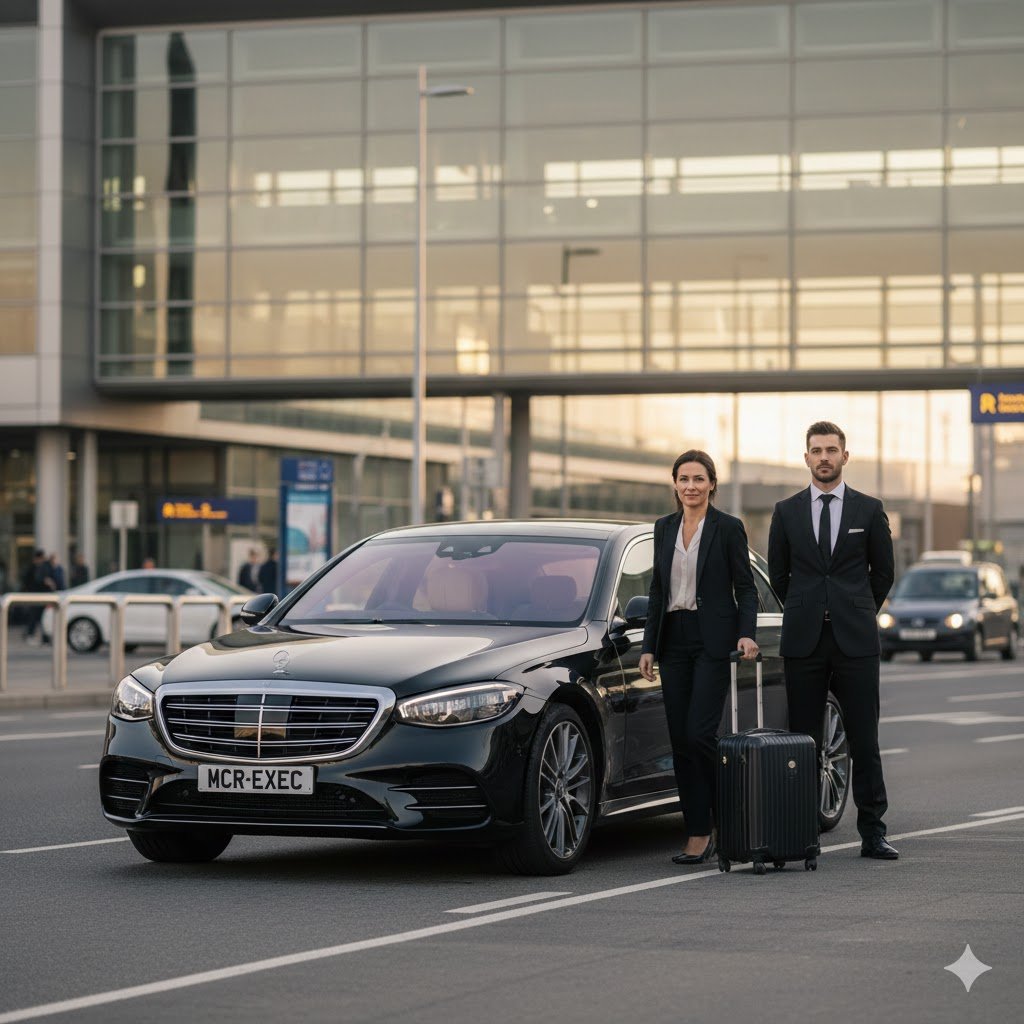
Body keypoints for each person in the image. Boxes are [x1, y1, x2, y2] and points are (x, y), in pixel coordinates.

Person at [767, 421, 897, 860]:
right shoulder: (785, 512)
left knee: (864, 738)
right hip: (804, 641)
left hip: (856, 641)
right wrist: (807, 609)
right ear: (806, 458)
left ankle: (873, 831)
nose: (824, 457)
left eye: (831, 450)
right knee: (803, 741)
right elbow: (779, 576)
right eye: (816, 450)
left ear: (845, 456)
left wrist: (857, 608)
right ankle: (803, 834)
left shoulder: (869, 509)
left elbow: (883, 573)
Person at [639, 450, 759, 865]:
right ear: (674, 484)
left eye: (699, 479)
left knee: (699, 734)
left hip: (711, 641)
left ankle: (727, 816)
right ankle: (697, 831)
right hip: (674, 640)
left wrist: (746, 634)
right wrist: (648, 646)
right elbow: (657, 590)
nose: (691, 486)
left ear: (712, 484)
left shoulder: (728, 528)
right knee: (680, 740)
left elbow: (745, 588)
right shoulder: (663, 528)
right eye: (684, 478)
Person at [20, 549, 53, 644]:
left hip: (42, 595)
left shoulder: (44, 567)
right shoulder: (33, 568)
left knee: (41, 616)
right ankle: (30, 634)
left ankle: (44, 637)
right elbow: (31, 581)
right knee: (34, 616)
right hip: (35, 595)